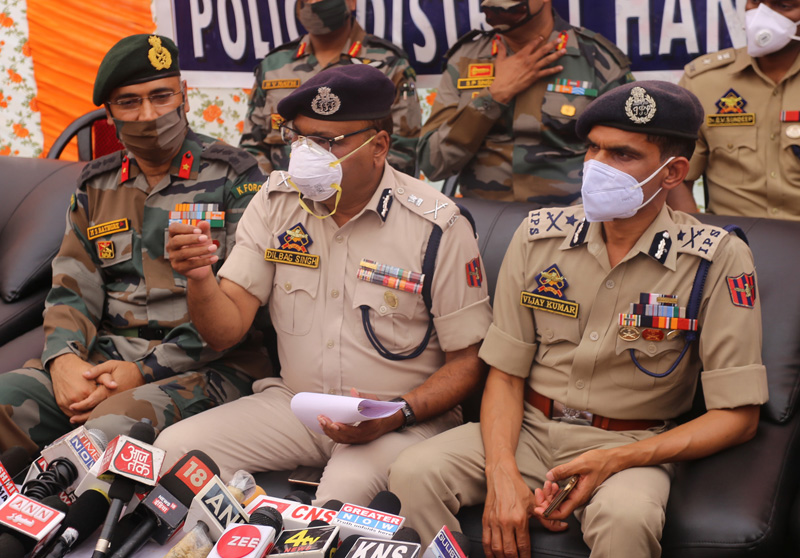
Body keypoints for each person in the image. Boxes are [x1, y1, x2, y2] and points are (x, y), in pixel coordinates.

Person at [389, 81, 768, 557]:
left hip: (631, 442)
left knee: (627, 518)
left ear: (673, 173)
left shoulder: (716, 260)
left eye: (622, 155)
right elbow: (505, 374)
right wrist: (502, 470)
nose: (596, 167)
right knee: (413, 472)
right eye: (593, 148)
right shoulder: (538, 237)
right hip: (526, 427)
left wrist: (616, 459)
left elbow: (738, 417)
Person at [155, 64, 492, 504]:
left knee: (340, 496)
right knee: (172, 454)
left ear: (379, 146)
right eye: (301, 138)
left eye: (329, 142)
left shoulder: (437, 224)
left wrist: (395, 414)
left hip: (399, 417)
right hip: (298, 406)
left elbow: (467, 362)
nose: (309, 154)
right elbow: (224, 330)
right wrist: (199, 279)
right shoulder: (276, 202)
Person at [0, 34, 270, 456]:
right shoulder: (97, 185)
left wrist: (143, 371)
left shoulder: (236, 177)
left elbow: (239, 316)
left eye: (161, 96)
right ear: (108, 114)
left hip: (209, 366)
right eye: (129, 102)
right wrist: (63, 360)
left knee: (107, 431)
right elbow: (71, 290)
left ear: (184, 95)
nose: (149, 115)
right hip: (107, 360)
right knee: (6, 397)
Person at [419, 0, 632, 204]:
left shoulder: (598, 62)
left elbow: (628, 162)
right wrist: (493, 97)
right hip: (484, 223)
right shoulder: (464, 59)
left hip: (568, 223)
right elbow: (433, 164)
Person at [240, 0, 421, 176]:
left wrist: (357, 193)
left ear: (352, 2)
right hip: (285, 197)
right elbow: (252, 147)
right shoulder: (274, 65)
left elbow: (403, 149)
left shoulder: (389, 64)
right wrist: (277, 192)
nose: (315, 4)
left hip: (360, 198)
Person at [676, 0, 800, 219]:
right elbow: (675, 176)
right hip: (730, 241)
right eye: (755, 2)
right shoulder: (704, 81)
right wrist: (696, 238)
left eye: (784, 5)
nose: (762, 14)